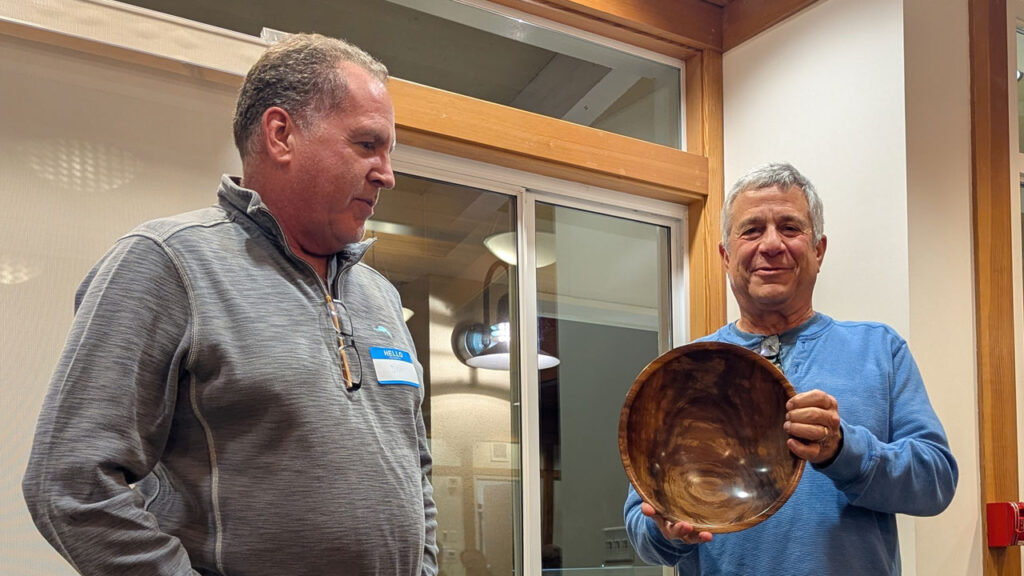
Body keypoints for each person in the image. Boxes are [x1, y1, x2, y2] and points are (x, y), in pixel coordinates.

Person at [22, 33, 438, 576]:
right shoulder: (167, 263)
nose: (387, 172)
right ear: (281, 134)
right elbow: (72, 484)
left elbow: (416, 467)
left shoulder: (380, 295)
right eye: (367, 145)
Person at [624, 162, 957, 575]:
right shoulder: (686, 369)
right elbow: (641, 520)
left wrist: (843, 450)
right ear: (726, 256)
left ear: (819, 250)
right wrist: (665, 532)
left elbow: (936, 481)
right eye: (751, 230)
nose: (771, 245)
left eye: (790, 227)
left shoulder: (879, 349)